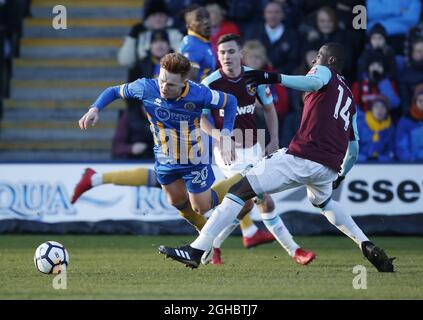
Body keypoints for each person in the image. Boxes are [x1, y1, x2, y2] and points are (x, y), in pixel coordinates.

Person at [158, 43, 396, 273]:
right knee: (325, 203)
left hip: (302, 155)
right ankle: (366, 244)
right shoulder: (350, 99)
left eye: (319, 56)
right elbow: (353, 149)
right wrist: (341, 175)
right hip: (329, 166)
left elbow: (313, 81)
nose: (314, 61)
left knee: (240, 190)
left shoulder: (325, 72)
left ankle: (197, 250)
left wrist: (275, 77)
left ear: (331, 61)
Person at [77, 53, 240, 232]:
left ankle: (242, 179)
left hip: (193, 159)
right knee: (177, 202)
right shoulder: (146, 87)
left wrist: (225, 135)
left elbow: (230, 101)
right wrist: (95, 108)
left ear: (184, 82)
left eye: (170, 84)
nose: (163, 87)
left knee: (201, 207)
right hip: (164, 158)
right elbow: (114, 91)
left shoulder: (200, 94)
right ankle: (205, 233)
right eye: (162, 80)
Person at [200, 34, 315, 265]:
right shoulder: (210, 83)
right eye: (222, 52)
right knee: (264, 200)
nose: (226, 56)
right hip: (228, 152)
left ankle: (213, 245)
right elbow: (202, 119)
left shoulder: (254, 78)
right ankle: (296, 252)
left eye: (231, 51)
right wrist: (219, 137)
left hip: (254, 147)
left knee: (244, 204)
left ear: (240, 53)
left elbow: (270, 110)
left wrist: (273, 141)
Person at [244, 1, 300, 74]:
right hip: (255, 75)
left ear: (283, 14)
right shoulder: (253, 32)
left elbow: (294, 61)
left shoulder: (292, 35)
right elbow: (247, 55)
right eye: (269, 12)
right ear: (264, 14)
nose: (273, 15)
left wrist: (276, 75)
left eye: (277, 12)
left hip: (282, 78)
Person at [180, 5, 216, 82]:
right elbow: (189, 82)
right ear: (189, 26)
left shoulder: (203, 42)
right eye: (199, 19)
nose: (206, 21)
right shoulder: (191, 46)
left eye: (207, 16)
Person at [357, 96, 395, 162]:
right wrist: (364, 158)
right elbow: (352, 148)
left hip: (380, 165)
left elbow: (391, 150)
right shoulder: (361, 124)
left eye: (383, 107)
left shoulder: (390, 128)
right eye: (376, 106)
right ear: (372, 109)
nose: (379, 110)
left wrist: (379, 159)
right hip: (361, 164)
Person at [395, 84, 423, 161]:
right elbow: (401, 148)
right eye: (420, 100)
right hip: (412, 165)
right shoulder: (405, 121)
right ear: (415, 101)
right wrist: (412, 161)